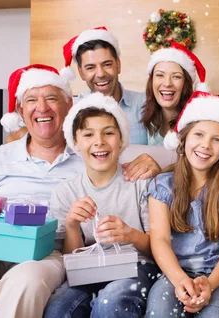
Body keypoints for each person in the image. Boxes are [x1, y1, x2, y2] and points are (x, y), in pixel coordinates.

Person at [0, 64, 84, 318]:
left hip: (48, 253)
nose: (42, 108)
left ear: (68, 104)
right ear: (21, 111)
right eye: (31, 99)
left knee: (28, 281)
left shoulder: (89, 158)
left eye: (51, 98)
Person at [43, 92, 161, 318]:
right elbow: (69, 260)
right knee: (59, 307)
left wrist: (130, 235)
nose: (99, 142)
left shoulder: (140, 184)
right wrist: (71, 225)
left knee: (111, 302)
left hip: (137, 267)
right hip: (86, 272)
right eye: (88, 134)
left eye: (108, 133)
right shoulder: (65, 192)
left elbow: (159, 247)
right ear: (75, 143)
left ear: (121, 140)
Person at [7, 26, 162, 181]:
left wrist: (156, 162)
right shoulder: (69, 109)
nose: (100, 74)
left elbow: (171, 147)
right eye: (90, 67)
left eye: (107, 64)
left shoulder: (146, 103)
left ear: (118, 65)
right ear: (81, 72)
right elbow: (22, 138)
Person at [145, 91, 219, 317]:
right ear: (184, 139)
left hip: (218, 276)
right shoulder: (162, 185)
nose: (205, 145)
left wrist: (209, 283)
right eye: (198, 134)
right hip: (173, 274)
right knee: (160, 310)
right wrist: (180, 279)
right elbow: (159, 240)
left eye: (216, 139)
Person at [142, 42, 210, 146]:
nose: (167, 83)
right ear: (151, 82)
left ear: (185, 84)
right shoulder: (144, 117)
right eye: (160, 75)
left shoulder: (199, 122)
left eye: (176, 76)